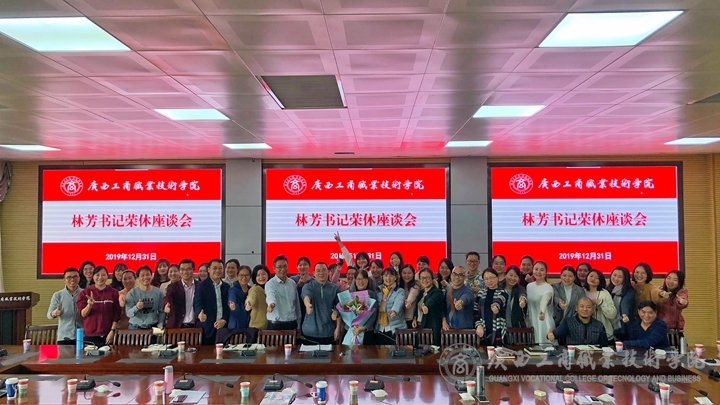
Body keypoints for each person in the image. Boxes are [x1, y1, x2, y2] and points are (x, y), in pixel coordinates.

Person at [76, 266, 121, 346]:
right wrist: (89, 305)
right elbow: (83, 314)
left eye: (103, 275)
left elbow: (116, 314)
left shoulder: (113, 292)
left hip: (108, 334)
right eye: (97, 275)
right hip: (90, 335)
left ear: (107, 276)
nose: (100, 277)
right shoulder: (85, 293)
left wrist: (112, 331)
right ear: (93, 277)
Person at [301, 262, 341, 345]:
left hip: (329, 333)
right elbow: (306, 296)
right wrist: (308, 305)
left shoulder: (334, 288)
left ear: (328, 272)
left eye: (323, 270)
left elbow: (340, 307)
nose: (321, 273)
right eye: (318, 271)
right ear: (314, 273)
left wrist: (338, 327)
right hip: (310, 333)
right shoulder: (308, 286)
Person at [193, 258, 230, 344]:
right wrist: (199, 314)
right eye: (214, 268)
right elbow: (197, 303)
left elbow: (228, 307)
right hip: (207, 327)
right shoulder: (201, 286)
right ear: (209, 269)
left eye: (220, 268)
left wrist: (224, 320)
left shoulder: (226, 287)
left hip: (223, 327)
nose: (217, 270)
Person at [220, 265, 258, 344]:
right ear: (237, 276)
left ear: (250, 276)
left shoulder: (251, 289)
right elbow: (231, 298)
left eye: (246, 275)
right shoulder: (233, 289)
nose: (244, 277)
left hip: (248, 323)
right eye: (241, 275)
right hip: (236, 324)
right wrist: (231, 303)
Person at [47, 267, 83, 345]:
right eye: (69, 277)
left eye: (75, 277)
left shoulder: (85, 293)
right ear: (64, 280)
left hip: (82, 335)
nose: (72, 279)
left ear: (79, 278)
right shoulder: (58, 295)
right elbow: (49, 315)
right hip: (64, 336)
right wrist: (54, 313)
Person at [265, 255, 301, 331]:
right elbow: (271, 295)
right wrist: (271, 304)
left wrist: (298, 324)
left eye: (285, 266)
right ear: (274, 268)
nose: (283, 269)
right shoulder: (270, 284)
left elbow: (296, 304)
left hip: (292, 324)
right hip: (276, 325)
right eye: (279, 267)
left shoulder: (292, 283)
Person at [474, 268, 508, 346]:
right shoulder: (481, 293)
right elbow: (475, 311)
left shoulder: (503, 292)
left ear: (497, 278)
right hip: (483, 330)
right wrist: (478, 325)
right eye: (486, 279)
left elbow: (500, 300)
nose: (489, 281)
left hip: (498, 330)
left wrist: (496, 307)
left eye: (491, 278)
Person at [125, 265, 165, 330]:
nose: (145, 277)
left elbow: (162, 311)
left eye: (147, 274)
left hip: (153, 327)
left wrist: (160, 324)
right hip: (135, 327)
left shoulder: (159, 292)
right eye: (142, 275)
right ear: (138, 278)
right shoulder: (132, 293)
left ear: (151, 276)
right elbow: (128, 313)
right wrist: (136, 307)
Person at [413, 268, 444, 345]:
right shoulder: (421, 292)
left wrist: (426, 307)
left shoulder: (437, 292)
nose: (425, 280)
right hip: (420, 327)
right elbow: (417, 307)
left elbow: (432, 301)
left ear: (432, 279)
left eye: (427, 277)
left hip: (432, 328)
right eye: (422, 278)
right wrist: (415, 318)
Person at [526, 261, 555, 345]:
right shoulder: (529, 286)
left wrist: (542, 312)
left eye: (542, 270)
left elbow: (544, 300)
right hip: (532, 322)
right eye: (536, 269)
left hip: (544, 322)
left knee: (546, 348)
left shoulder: (548, 287)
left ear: (546, 272)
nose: (538, 272)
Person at [163, 259, 197, 329]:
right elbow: (168, 297)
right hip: (177, 326)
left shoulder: (199, 286)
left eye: (188, 269)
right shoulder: (173, 287)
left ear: (193, 270)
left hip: (196, 326)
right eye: (182, 269)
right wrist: (166, 304)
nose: (185, 272)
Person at [375, 267, 405, 345]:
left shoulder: (400, 291)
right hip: (380, 328)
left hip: (395, 329)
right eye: (386, 275)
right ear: (382, 277)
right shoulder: (378, 291)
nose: (388, 278)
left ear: (395, 277)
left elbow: (399, 302)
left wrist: (394, 311)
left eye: (391, 275)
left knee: (396, 351)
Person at [584, 270, 616, 341]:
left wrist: (601, 303)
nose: (593, 279)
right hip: (584, 333)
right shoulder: (581, 291)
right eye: (591, 276)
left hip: (603, 333)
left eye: (597, 278)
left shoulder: (604, 293)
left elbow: (612, 314)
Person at [348, 270, 378, 345]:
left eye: (363, 278)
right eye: (358, 279)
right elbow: (345, 311)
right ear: (355, 280)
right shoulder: (349, 294)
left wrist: (364, 327)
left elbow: (374, 314)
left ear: (367, 280)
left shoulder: (372, 294)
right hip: (351, 331)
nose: (360, 281)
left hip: (367, 331)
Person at [606, 266, 635, 341]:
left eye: (620, 277)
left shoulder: (629, 291)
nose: (616, 278)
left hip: (623, 326)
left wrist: (625, 314)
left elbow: (625, 303)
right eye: (614, 275)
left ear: (625, 279)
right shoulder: (608, 289)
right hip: (608, 324)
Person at [443, 266, 475, 330]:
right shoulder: (448, 291)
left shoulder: (468, 290)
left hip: (466, 331)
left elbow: (466, 297)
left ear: (465, 277)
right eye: (454, 274)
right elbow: (443, 308)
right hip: (449, 331)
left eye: (460, 275)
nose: (457, 277)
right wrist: (443, 321)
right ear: (451, 275)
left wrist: (460, 302)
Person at [657, 270, 689, 334]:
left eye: (675, 280)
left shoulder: (681, 292)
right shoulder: (660, 290)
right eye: (669, 278)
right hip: (658, 327)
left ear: (680, 282)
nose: (670, 281)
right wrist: (660, 294)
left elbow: (683, 300)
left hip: (674, 329)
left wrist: (682, 301)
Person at [246, 264, 270, 332]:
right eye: (258, 275)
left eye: (263, 274)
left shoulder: (271, 288)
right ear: (255, 277)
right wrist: (249, 304)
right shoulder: (254, 289)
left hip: (269, 325)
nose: (261, 277)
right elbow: (251, 297)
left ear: (268, 275)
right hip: (257, 326)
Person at [399, 264, 420, 329]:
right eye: (404, 273)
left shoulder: (415, 287)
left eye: (409, 273)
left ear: (413, 274)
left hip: (411, 320)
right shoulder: (398, 286)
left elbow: (413, 294)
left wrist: (408, 302)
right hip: (399, 319)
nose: (406, 275)